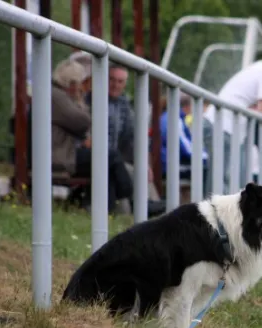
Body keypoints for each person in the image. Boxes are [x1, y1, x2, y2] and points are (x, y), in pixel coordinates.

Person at [202, 41, 262, 194]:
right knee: (221, 181)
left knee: (230, 181)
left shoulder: (260, 70)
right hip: (222, 126)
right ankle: (209, 217)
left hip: (227, 128)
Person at [51, 59, 133, 213]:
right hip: (61, 157)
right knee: (111, 157)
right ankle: (127, 194)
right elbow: (84, 121)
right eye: (83, 82)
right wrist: (80, 100)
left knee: (108, 162)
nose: (86, 87)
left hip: (63, 153)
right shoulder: (58, 97)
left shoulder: (60, 97)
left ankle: (108, 210)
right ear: (72, 82)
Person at [85, 62, 165, 216]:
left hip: (115, 158)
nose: (115, 85)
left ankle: (155, 212)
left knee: (141, 170)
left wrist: (145, 163)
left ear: (125, 84)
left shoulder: (124, 105)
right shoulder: (91, 100)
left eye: (120, 81)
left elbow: (134, 137)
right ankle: (142, 208)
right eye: (112, 79)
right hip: (97, 156)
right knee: (128, 171)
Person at [159, 93, 209, 187]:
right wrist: (207, 158)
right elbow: (186, 149)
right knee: (207, 169)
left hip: (171, 162)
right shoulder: (174, 119)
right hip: (170, 166)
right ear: (188, 106)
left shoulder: (174, 117)